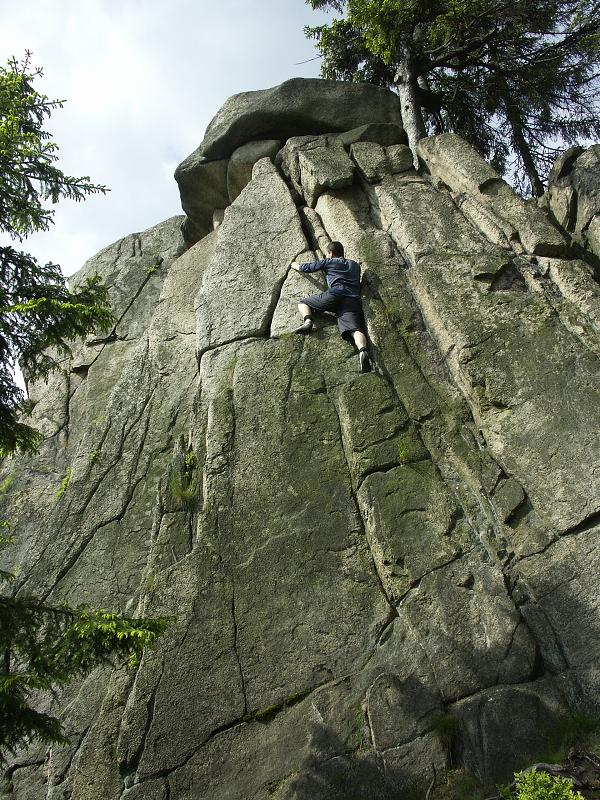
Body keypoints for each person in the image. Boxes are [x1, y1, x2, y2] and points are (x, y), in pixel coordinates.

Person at [289, 241, 371, 373]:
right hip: (352, 300)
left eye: (327, 254)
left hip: (335, 294)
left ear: (331, 253)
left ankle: (308, 321)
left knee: (304, 302)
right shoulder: (355, 265)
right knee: (355, 329)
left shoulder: (329, 262)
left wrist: (293, 264)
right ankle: (363, 350)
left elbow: (307, 268)